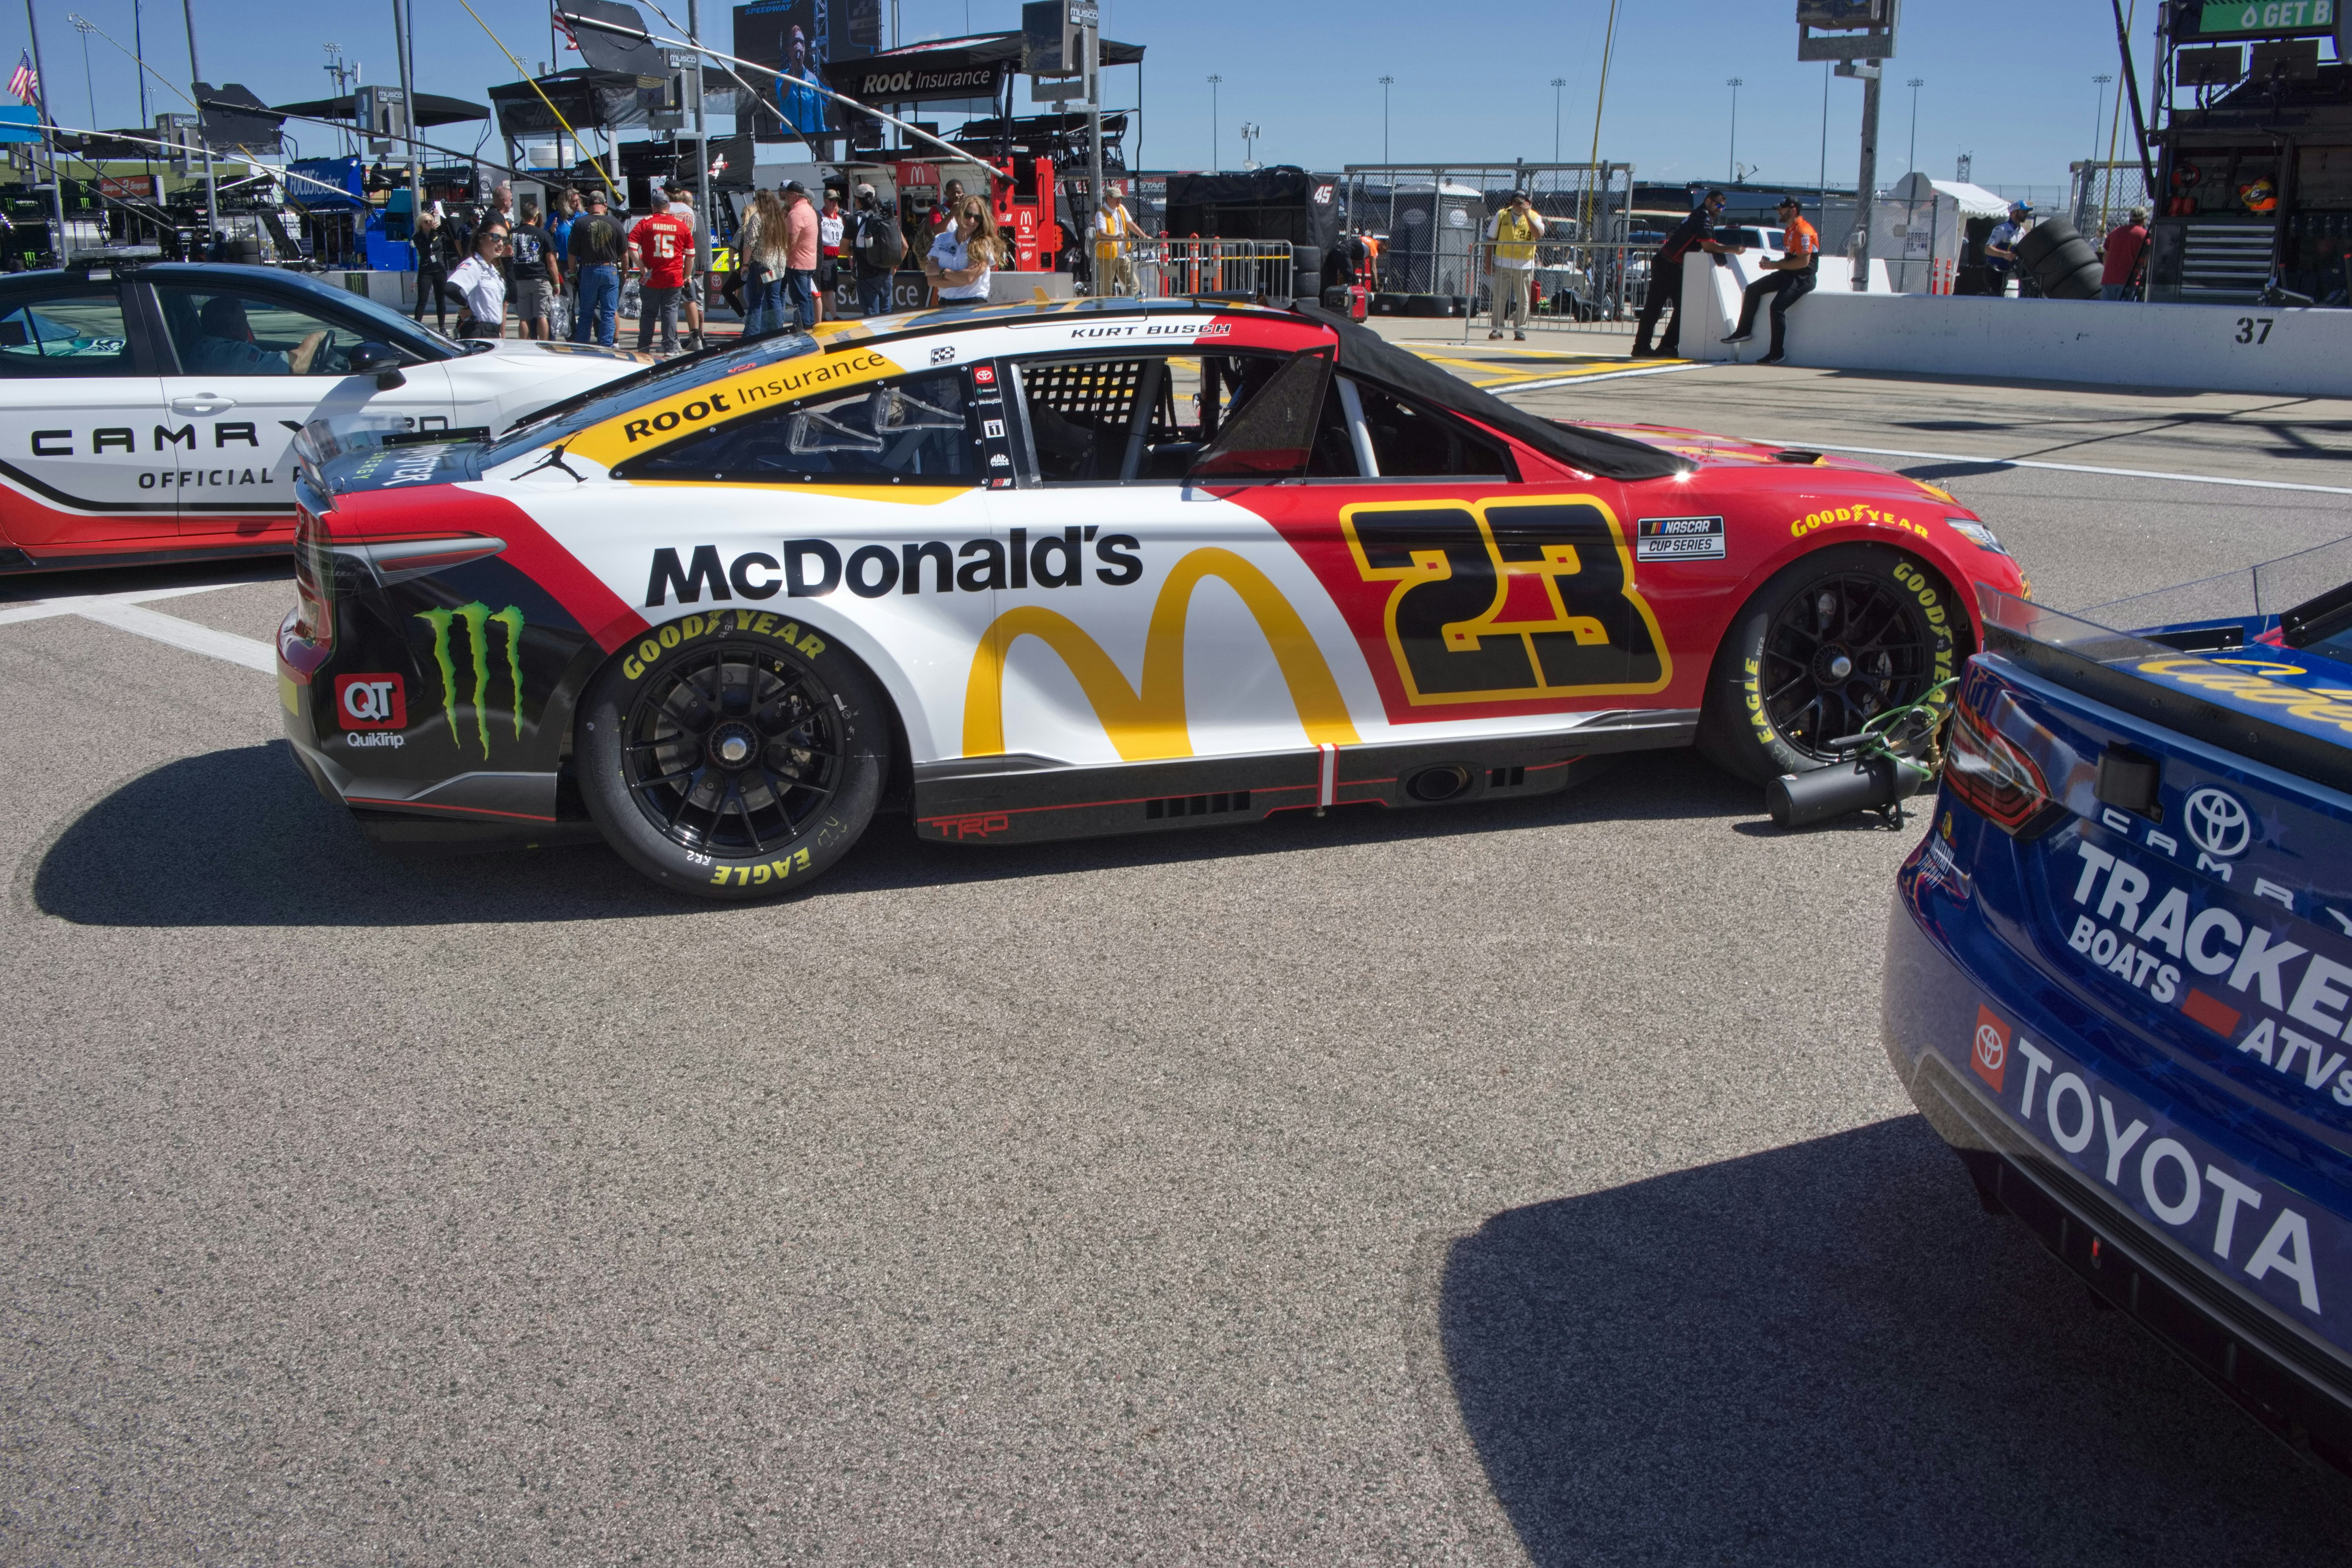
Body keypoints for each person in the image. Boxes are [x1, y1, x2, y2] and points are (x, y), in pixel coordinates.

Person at [1631, 189, 1745, 358]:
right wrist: (1733, 249)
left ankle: (1667, 346)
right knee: (1654, 308)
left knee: (1683, 308)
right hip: (1666, 265)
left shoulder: (1700, 215)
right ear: (1708, 201)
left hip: (1674, 266)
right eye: (1718, 205)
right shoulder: (1703, 217)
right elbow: (1708, 246)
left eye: (1723, 207)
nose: (1720, 209)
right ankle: (1641, 347)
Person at [1719, 194, 1818, 365]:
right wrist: (1772, 264)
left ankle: (1777, 354)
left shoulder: (1804, 231)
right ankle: (1744, 332)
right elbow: (1790, 261)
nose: (1779, 212)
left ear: (1793, 210)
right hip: (1789, 274)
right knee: (1752, 289)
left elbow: (1804, 262)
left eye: (1782, 209)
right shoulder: (1790, 230)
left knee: (1777, 307)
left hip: (1804, 278)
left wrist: (1774, 265)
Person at [187, 294, 325, 375]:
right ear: (233, 328)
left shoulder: (199, 349)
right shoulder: (238, 353)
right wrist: (314, 338)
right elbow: (296, 366)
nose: (246, 326)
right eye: (244, 321)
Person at [628, 194, 693, 354]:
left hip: (652, 277)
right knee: (670, 312)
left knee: (649, 313)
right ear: (668, 207)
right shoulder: (681, 226)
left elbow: (631, 245)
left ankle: (644, 347)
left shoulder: (646, 223)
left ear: (653, 207)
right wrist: (687, 275)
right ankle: (670, 347)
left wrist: (641, 266)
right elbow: (691, 254)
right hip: (673, 278)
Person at [567, 188, 628, 347]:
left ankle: (583, 346)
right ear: (605, 206)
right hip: (611, 270)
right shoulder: (615, 223)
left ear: (588, 207)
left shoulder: (580, 223)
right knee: (608, 313)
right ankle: (607, 347)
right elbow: (625, 254)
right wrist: (625, 273)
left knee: (586, 313)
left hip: (589, 271)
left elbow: (572, 254)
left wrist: (572, 274)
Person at [1486, 190, 1547, 340]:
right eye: (1515, 202)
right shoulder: (1501, 215)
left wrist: (1527, 214)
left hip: (1524, 264)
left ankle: (1520, 329)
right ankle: (1497, 329)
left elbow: (1539, 234)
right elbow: (1490, 240)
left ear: (1529, 203)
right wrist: (1488, 263)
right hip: (1503, 262)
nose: (1518, 206)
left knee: (1523, 299)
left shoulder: (1535, 217)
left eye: (1522, 203)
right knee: (1500, 297)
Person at [735, 188, 793, 336]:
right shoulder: (779, 220)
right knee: (774, 300)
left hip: (759, 266)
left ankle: (752, 334)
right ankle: (778, 331)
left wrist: (745, 265)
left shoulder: (758, 218)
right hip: (775, 267)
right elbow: (783, 244)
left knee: (756, 302)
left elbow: (750, 243)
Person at [926, 194, 1003, 305]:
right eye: (968, 215)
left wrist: (941, 272)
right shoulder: (941, 240)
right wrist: (960, 278)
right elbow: (932, 280)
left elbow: (969, 278)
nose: (972, 221)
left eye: (977, 218)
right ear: (959, 213)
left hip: (973, 305)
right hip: (944, 304)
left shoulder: (983, 244)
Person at [443, 222, 509, 340]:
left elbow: (513, 296)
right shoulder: (473, 265)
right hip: (478, 331)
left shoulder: (492, 269)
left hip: (493, 332)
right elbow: (450, 288)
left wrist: (509, 263)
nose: (501, 243)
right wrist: (466, 307)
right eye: (495, 238)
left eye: (505, 240)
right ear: (481, 239)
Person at [508, 199, 561, 340]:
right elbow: (551, 261)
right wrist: (556, 283)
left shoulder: (512, 234)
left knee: (524, 318)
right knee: (542, 316)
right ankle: (544, 344)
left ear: (521, 215)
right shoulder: (543, 234)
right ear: (536, 216)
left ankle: (524, 346)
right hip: (540, 279)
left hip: (520, 280)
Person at [664, 183, 708, 350]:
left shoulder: (666, 209)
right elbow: (693, 241)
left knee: (670, 304)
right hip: (688, 263)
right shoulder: (691, 213)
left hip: (671, 261)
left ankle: (673, 340)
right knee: (691, 300)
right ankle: (696, 338)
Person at [851, 183, 904, 317]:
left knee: (871, 318)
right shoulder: (887, 218)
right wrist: (895, 266)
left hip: (865, 275)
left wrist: (857, 253)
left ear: (857, 201)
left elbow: (842, 249)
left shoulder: (854, 220)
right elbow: (905, 246)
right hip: (886, 275)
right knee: (886, 317)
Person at [782, 180, 821, 329]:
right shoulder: (810, 210)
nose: (785, 198)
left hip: (797, 263)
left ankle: (805, 327)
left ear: (794, 195)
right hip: (809, 262)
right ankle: (809, 325)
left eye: (787, 195)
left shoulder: (796, 213)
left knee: (800, 298)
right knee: (805, 296)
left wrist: (782, 258)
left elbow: (791, 243)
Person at [1094, 183, 1140, 296]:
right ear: (1108, 198)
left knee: (1134, 285)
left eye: (1121, 198)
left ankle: (1123, 307)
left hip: (1122, 256)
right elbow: (1102, 234)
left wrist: (1144, 236)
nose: (1120, 200)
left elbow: (1131, 225)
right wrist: (1116, 237)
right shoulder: (1101, 214)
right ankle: (1106, 313)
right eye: (1117, 198)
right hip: (1107, 257)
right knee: (1107, 291)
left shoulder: (1121, 209)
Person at [2100, 205, 2150, 301]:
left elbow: (2105, 257)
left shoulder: (2115, 232)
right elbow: (2146, 261)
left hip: (2109, 280)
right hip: (2129, 281)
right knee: (2125, 313)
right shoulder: (2144, 235)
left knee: (2107, 313)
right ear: (2144, 220)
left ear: (2130, 219)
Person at [1984, 202, 2032, 295]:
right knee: (1996, 301)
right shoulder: (2001, 229)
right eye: (2023, 211)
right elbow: (1987, 249)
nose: (2026, 214)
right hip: (1995, 271)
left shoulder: (2022, 231)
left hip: (2011, 273)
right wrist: (2005, 254)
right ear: (2014, 213)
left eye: (2027, 212)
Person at [817, 186, 845, 322]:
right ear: (825, 200)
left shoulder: (840, 219)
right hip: (824, 258)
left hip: (835, 258)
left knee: (828, 289)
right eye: (832, 200)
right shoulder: (819, 216)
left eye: (836, 201)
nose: (834, 203)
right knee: (827, 290)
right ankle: (835, 317)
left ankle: (822, 318)